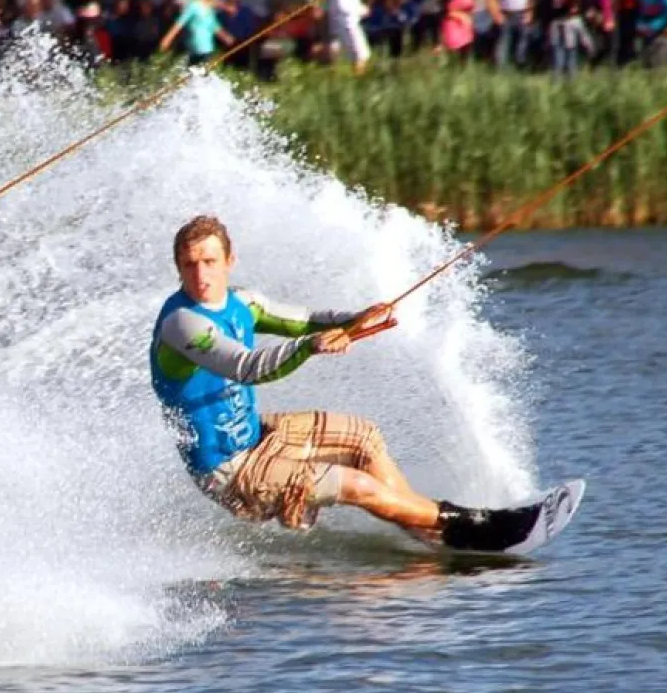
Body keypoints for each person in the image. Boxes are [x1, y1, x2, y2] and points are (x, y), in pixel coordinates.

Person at [147, 215, 519, 548]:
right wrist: (311, 347)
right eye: (189, 265)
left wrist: (358, 318)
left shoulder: (244, 303)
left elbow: (307, 321)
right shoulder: (181, 323)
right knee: (356, 486)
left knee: (364, 438)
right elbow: (247, 367)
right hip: (229, 472)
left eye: (209, 262)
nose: (200, 276)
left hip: (257, 437)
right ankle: (468, 525)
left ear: (230, 261)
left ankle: (428, 533)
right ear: (178, 269)